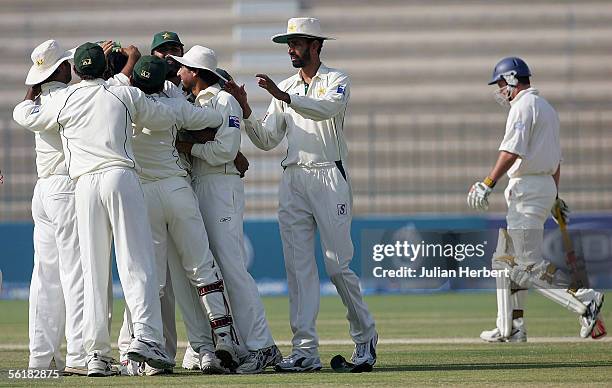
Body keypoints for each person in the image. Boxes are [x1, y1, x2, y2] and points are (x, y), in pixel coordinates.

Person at [13, 42, 177, 377]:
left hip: (83, 185)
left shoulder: (61, 99)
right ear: (104, 68)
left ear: (75, 70)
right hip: (118, 177)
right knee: (136, 260)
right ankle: (146, 337)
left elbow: (22, 113)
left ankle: (95, 355)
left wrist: (34, 84)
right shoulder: (122, 92)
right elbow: (163, 116)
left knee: (92, 271)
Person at [224, 17, 377, 372]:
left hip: (328, 175)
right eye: (288, 44)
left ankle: (365, 336)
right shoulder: (287, 87)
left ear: (316, 46)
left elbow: (327, 109)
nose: (291, 49)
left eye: (297, 43)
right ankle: (305, 352)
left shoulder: (336, 80)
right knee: (298, 270)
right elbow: (266, 140)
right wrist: (247, 110)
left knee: (337, 266)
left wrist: (283, 96)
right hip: (293, 179)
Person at [116, 55, 242, 374]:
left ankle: (149, 349)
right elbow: (212, 120)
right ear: (164, 81)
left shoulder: (124, 103)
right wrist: (189, 137)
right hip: (177, 189)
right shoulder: (176, 106)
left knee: (152, 277)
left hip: (144, 194)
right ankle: (220, 340)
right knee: (200, 267)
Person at [467, 56, 605, 342]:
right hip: (539, 188)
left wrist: (487, 183)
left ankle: (584, 300)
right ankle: (512, 327)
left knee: (525, 266)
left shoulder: (523, 107)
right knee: (505, 261)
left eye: (502, 82)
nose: (500, 89)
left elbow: (511, 151)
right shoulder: (546, 108)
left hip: (527, 191)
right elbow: (556, 162)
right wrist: (554, 196)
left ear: (514, 79)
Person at [172, 46, 281, 374]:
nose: (178, 73)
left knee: (232, 268)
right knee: (213, 270)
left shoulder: (224, 100)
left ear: (195, 72)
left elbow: (225, 150)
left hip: (220, 186)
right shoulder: (194, 102)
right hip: (201, 185)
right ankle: (232, 345)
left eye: (183, 69)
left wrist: (190, 145)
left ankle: (263, 347)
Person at [18, 39, 87, 376]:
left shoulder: (33, 105)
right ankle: (76, 355)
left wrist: (35, 85)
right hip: (66, 188)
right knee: (75, 273)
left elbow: (23, 108)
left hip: (42, 191)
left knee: (45, 276)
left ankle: (41, 358)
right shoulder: (71, 98)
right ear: (62, 68)